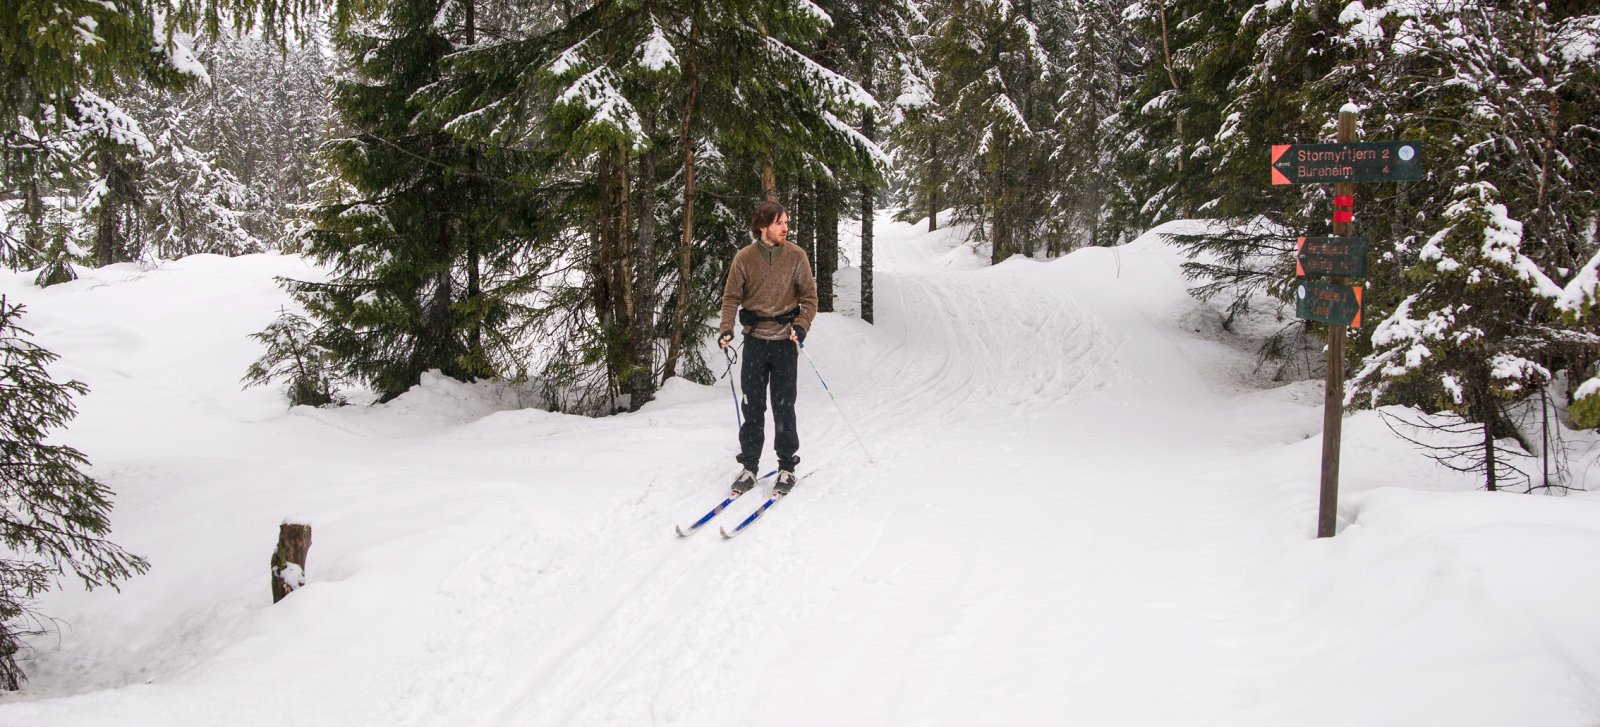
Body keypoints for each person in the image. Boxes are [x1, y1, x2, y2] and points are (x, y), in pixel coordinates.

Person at [719, 200, 818, 496]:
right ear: (763, 227)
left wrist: (801, 325)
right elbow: (731, 298)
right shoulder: (744, 258)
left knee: (784, 407)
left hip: (785, 342)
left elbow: (810, 299)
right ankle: (749, 467)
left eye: (786, 222)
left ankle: (787, 468)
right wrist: (726, 328)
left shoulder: (797, 256)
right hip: (754, 343)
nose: (785, 227)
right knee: (752, 406)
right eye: (779, 223)